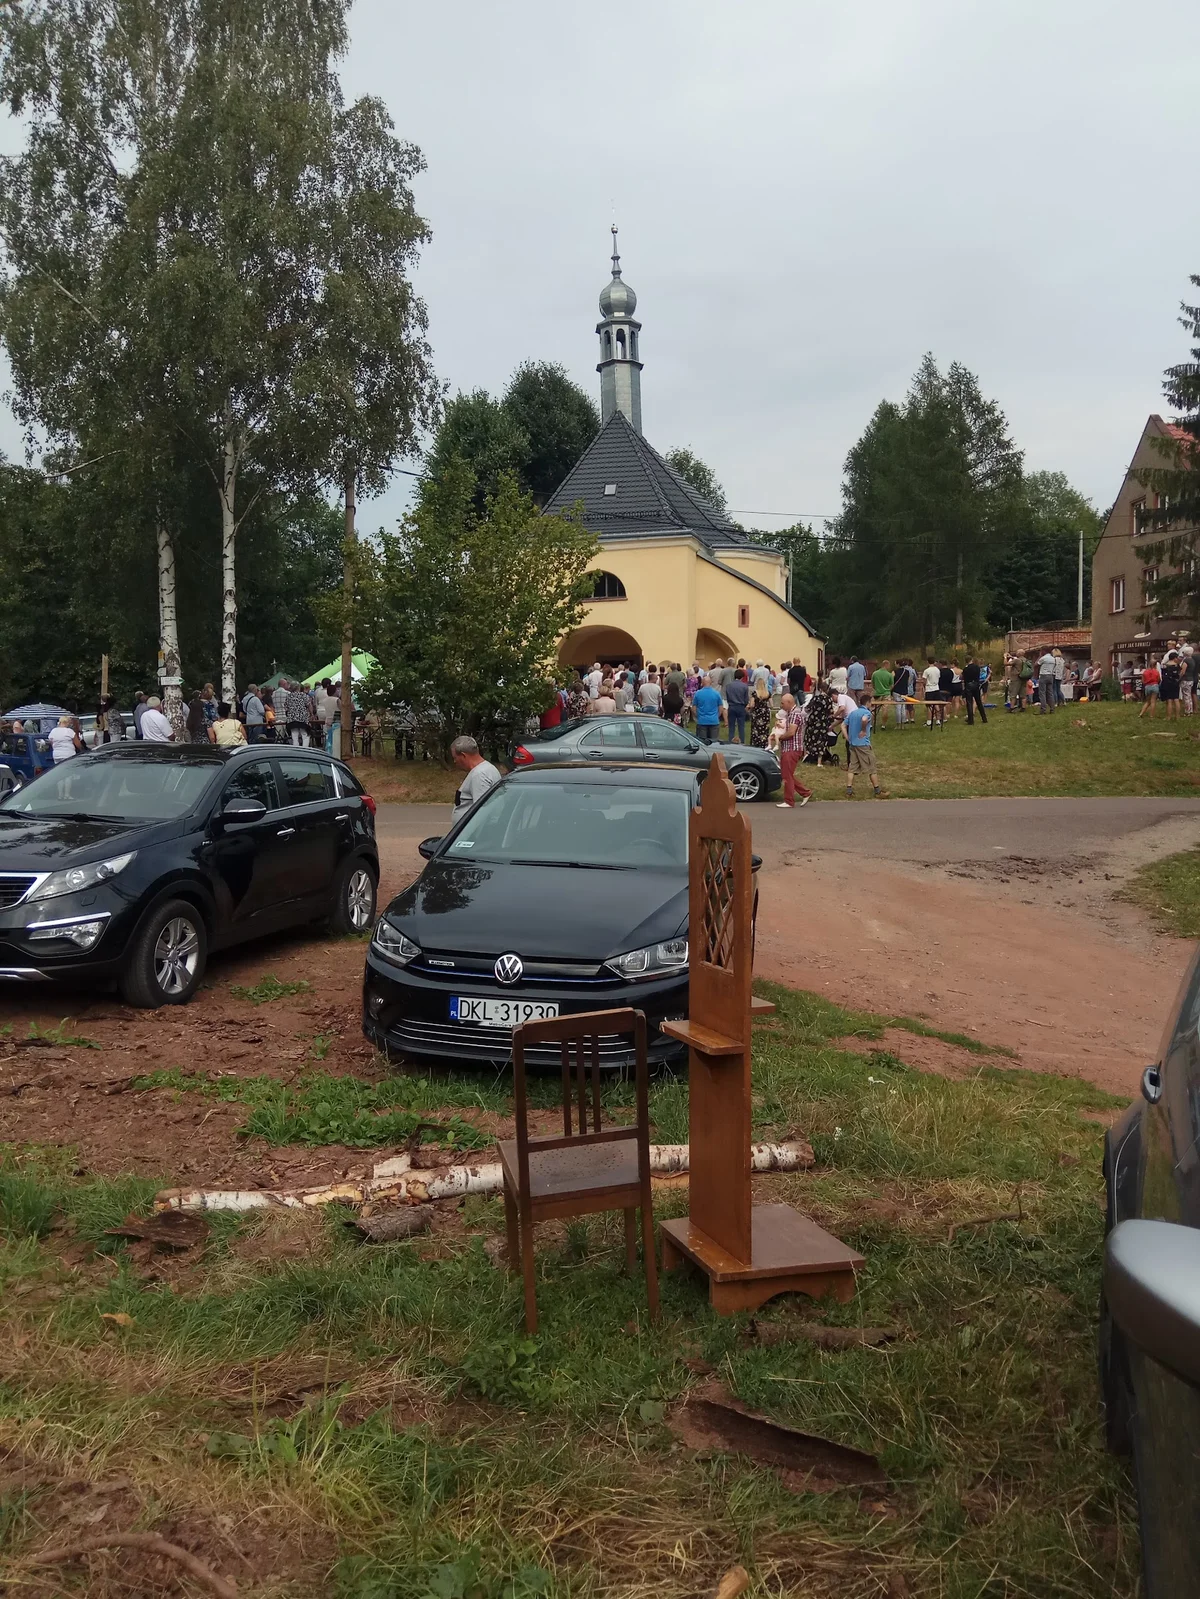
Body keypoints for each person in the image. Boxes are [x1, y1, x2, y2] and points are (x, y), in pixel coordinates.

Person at [774, 693, 812, 808]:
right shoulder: (792, 713)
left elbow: (791, 732)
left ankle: (789, 800)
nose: (781, 705)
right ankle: (805, 792)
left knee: (787, 775)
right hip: (790, 748)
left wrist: (779, 737)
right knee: (787, 774)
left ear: (789, 702)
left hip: (792, 748)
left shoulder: (794, 714)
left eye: (782, 703)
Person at [450, 735, 501, 821]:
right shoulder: (488, 768)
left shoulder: (479, 775)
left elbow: (482, 813)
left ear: (463, 756)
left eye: (455, 758)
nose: (455, 762)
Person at [843, 700, 886, 799]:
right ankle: (877, 791)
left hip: (853, 744)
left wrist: (848, 738)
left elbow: (843, 725)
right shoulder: (866, 712)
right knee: (872, 767)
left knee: (852, 767)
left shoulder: (852, 713)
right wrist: (863, 730)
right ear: (868, 703)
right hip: (863, 745)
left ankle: (849, 791)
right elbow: (864, 719)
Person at [802, 679, 834, 766]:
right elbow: (831, 712)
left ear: (820, 689)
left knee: (810, 738)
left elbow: (807, 709)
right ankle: (819, 762)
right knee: (821, 741)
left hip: (814, 721)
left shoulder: (816, 698)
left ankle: (808, 755)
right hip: (823, 722)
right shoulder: (829, 699)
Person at [693, 675, 723, 744]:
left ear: (702, 683)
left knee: (702, 743)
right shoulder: (716, 693)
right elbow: (721, 708)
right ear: (711, 683)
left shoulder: (698, 693)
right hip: (714, 721)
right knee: (714, 743)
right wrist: (716, 716)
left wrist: (698, 716)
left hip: (702, 721)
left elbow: (694, 708)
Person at [725, 669, 750, 743]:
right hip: (741, 706)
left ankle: (730, 741)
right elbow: (746, 699)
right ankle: (742, 741)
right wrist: (744, 705)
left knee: (731, 726)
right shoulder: (744, 686)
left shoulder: (728, 686)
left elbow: (727, 696)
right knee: (741, 726)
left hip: (732, 706)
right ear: (742, 677)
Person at [963, 657, 987, 725]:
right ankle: (984, 718)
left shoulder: (966, 669)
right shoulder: (977, 667)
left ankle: (971, 720)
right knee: (978, 702)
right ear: (972, 660)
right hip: (976, 684)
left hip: (968, 685)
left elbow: (964, 677)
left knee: (969, 702)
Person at [750, 676, 773, 747]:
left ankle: (756, 743)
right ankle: (764, 743)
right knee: (765, 730)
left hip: (757, 713)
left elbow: (752, 705)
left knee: (755, 729)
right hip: (765, 713)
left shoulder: (755, 693)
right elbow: (772, 705)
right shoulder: (768, 693)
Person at [871, 659, 894, 727]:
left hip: (877, 693)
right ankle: (883, 725)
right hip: (886, 694)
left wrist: (876, 689)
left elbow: (872, 683)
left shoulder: (875, 673)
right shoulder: (889, 675)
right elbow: (892, 685)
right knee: (885, 709)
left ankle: (871, 724)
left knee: (874, 710)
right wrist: (888, 690)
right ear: (886, 665)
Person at [892, 659, 914, 727]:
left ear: (898, 664)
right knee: (903, 707)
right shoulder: (907, 672)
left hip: (896, 691)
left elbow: (891, 681)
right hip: (904, 691)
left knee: (898, 707)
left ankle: (898, 723)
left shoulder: (894, 672)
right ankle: (903, 723)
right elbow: (909, 681)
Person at [923, 660, 944, 728]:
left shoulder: (927, 670)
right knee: (936, 704)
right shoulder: (937, 670)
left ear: (927, 662)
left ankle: (929, 721)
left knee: (929, 705)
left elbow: (924, 681)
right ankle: (938, 720)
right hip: (936, 688)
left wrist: (924, 687)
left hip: (929, 689)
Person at [1036, 648, 1057, 715]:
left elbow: (1036, 664)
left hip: (1043, 675)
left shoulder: (1043, 658)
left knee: (1042, 693)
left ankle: (1043, 709)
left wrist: (1039, 656)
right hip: (1050, 676)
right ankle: (1052, 709)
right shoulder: (1053, 659)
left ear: (1044, 651)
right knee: (1050, 693)